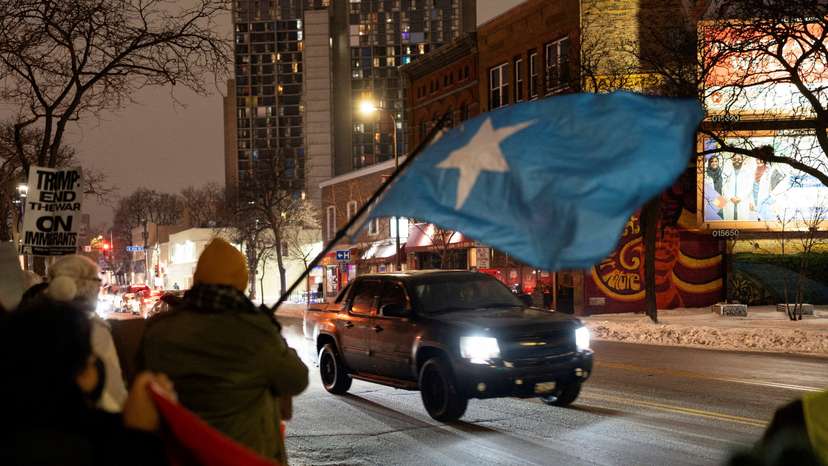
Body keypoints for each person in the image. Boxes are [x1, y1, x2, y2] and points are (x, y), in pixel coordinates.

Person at [140, 238, 308, 464]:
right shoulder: (255, 333)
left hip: (180, 455)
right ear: (241, 281)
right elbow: (296, 379)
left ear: (198, 278)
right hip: (244, 455)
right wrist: (273, 334)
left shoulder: (158, 331)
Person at [0, 298, 172, 466]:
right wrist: (141, 435)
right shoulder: (83, 450)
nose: (96, 364)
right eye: (89, 360)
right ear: (79, 372)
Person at [44, 254, 129, 412]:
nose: (99, 288)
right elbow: (112, 395)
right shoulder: (92, 329)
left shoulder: (31, 321)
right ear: (86, 286)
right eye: (97, 282)